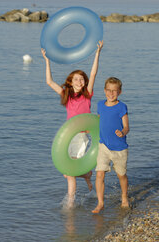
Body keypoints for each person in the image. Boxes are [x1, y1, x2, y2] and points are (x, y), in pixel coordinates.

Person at [41, 41, 103, 207]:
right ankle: (88, 175)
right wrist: (47, 61)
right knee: (68, 172)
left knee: (69, 173)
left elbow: (94, 73)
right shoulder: (66, 95)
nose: (80, 81)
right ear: (70, 82)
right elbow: (49, 82)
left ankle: (70, 202)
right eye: (76, 79)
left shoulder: (87, 94)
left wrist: (97, 53)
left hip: (82, 136)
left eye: (82, 79)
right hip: (69, 136)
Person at [92, 77, 129, 214]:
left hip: (119, 148)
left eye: (114, 91)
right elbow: (99, 122)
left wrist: (123, 132)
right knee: (100, 174)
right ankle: (100, 203)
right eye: (109, 90)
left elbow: (127, 126)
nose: (111, 93)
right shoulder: (100, 105)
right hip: (104, 146)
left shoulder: (121, 107)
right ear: (104, 90)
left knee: (121, 175)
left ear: (119, 92)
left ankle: (124, 197)